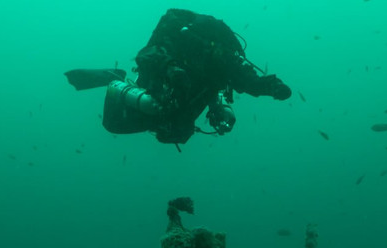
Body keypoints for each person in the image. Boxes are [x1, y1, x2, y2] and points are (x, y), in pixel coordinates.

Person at [65, 8, 292, 146]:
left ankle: (130, 91)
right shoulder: (183, 47)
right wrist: (171, 68)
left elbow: (248, 81)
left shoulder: (224, 61)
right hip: (158, 98)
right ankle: (114, 79)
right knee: (114, 123)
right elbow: (146, 55)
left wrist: (272, 87)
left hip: (178, 109)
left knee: (169, 124)